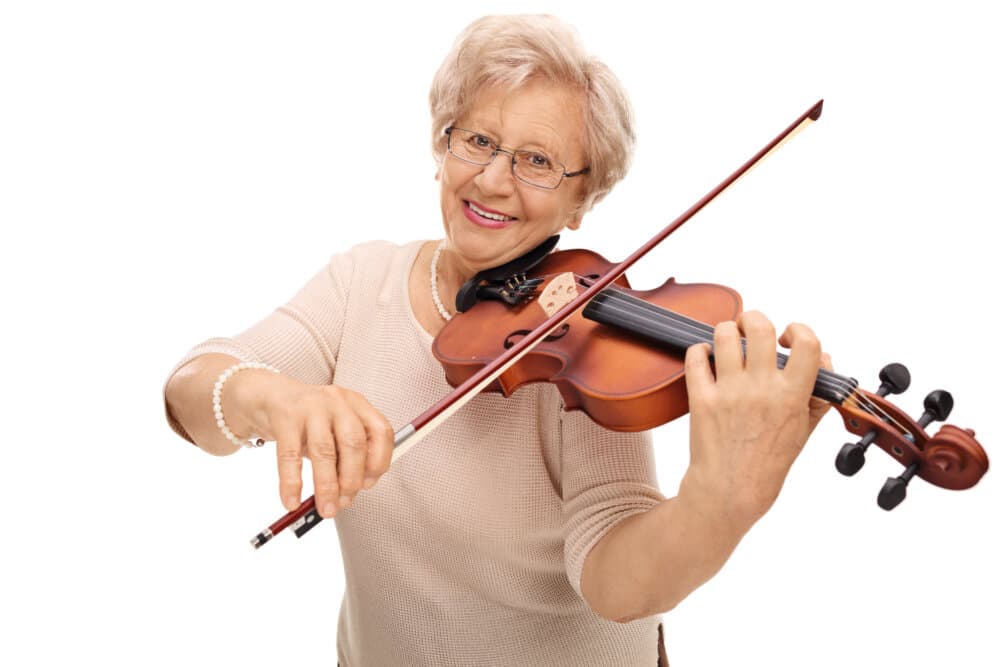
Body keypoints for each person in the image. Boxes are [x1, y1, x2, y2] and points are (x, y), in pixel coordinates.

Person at [163, 14, 830, 666]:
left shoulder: (588, 346)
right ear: (442, 145)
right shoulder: (362, 281)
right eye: (478, 140)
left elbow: (615, 583)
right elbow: (193, 389)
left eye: (537, 161)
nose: (491, 180)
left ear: (581, 201)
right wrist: (274, 398)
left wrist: (719, 502)